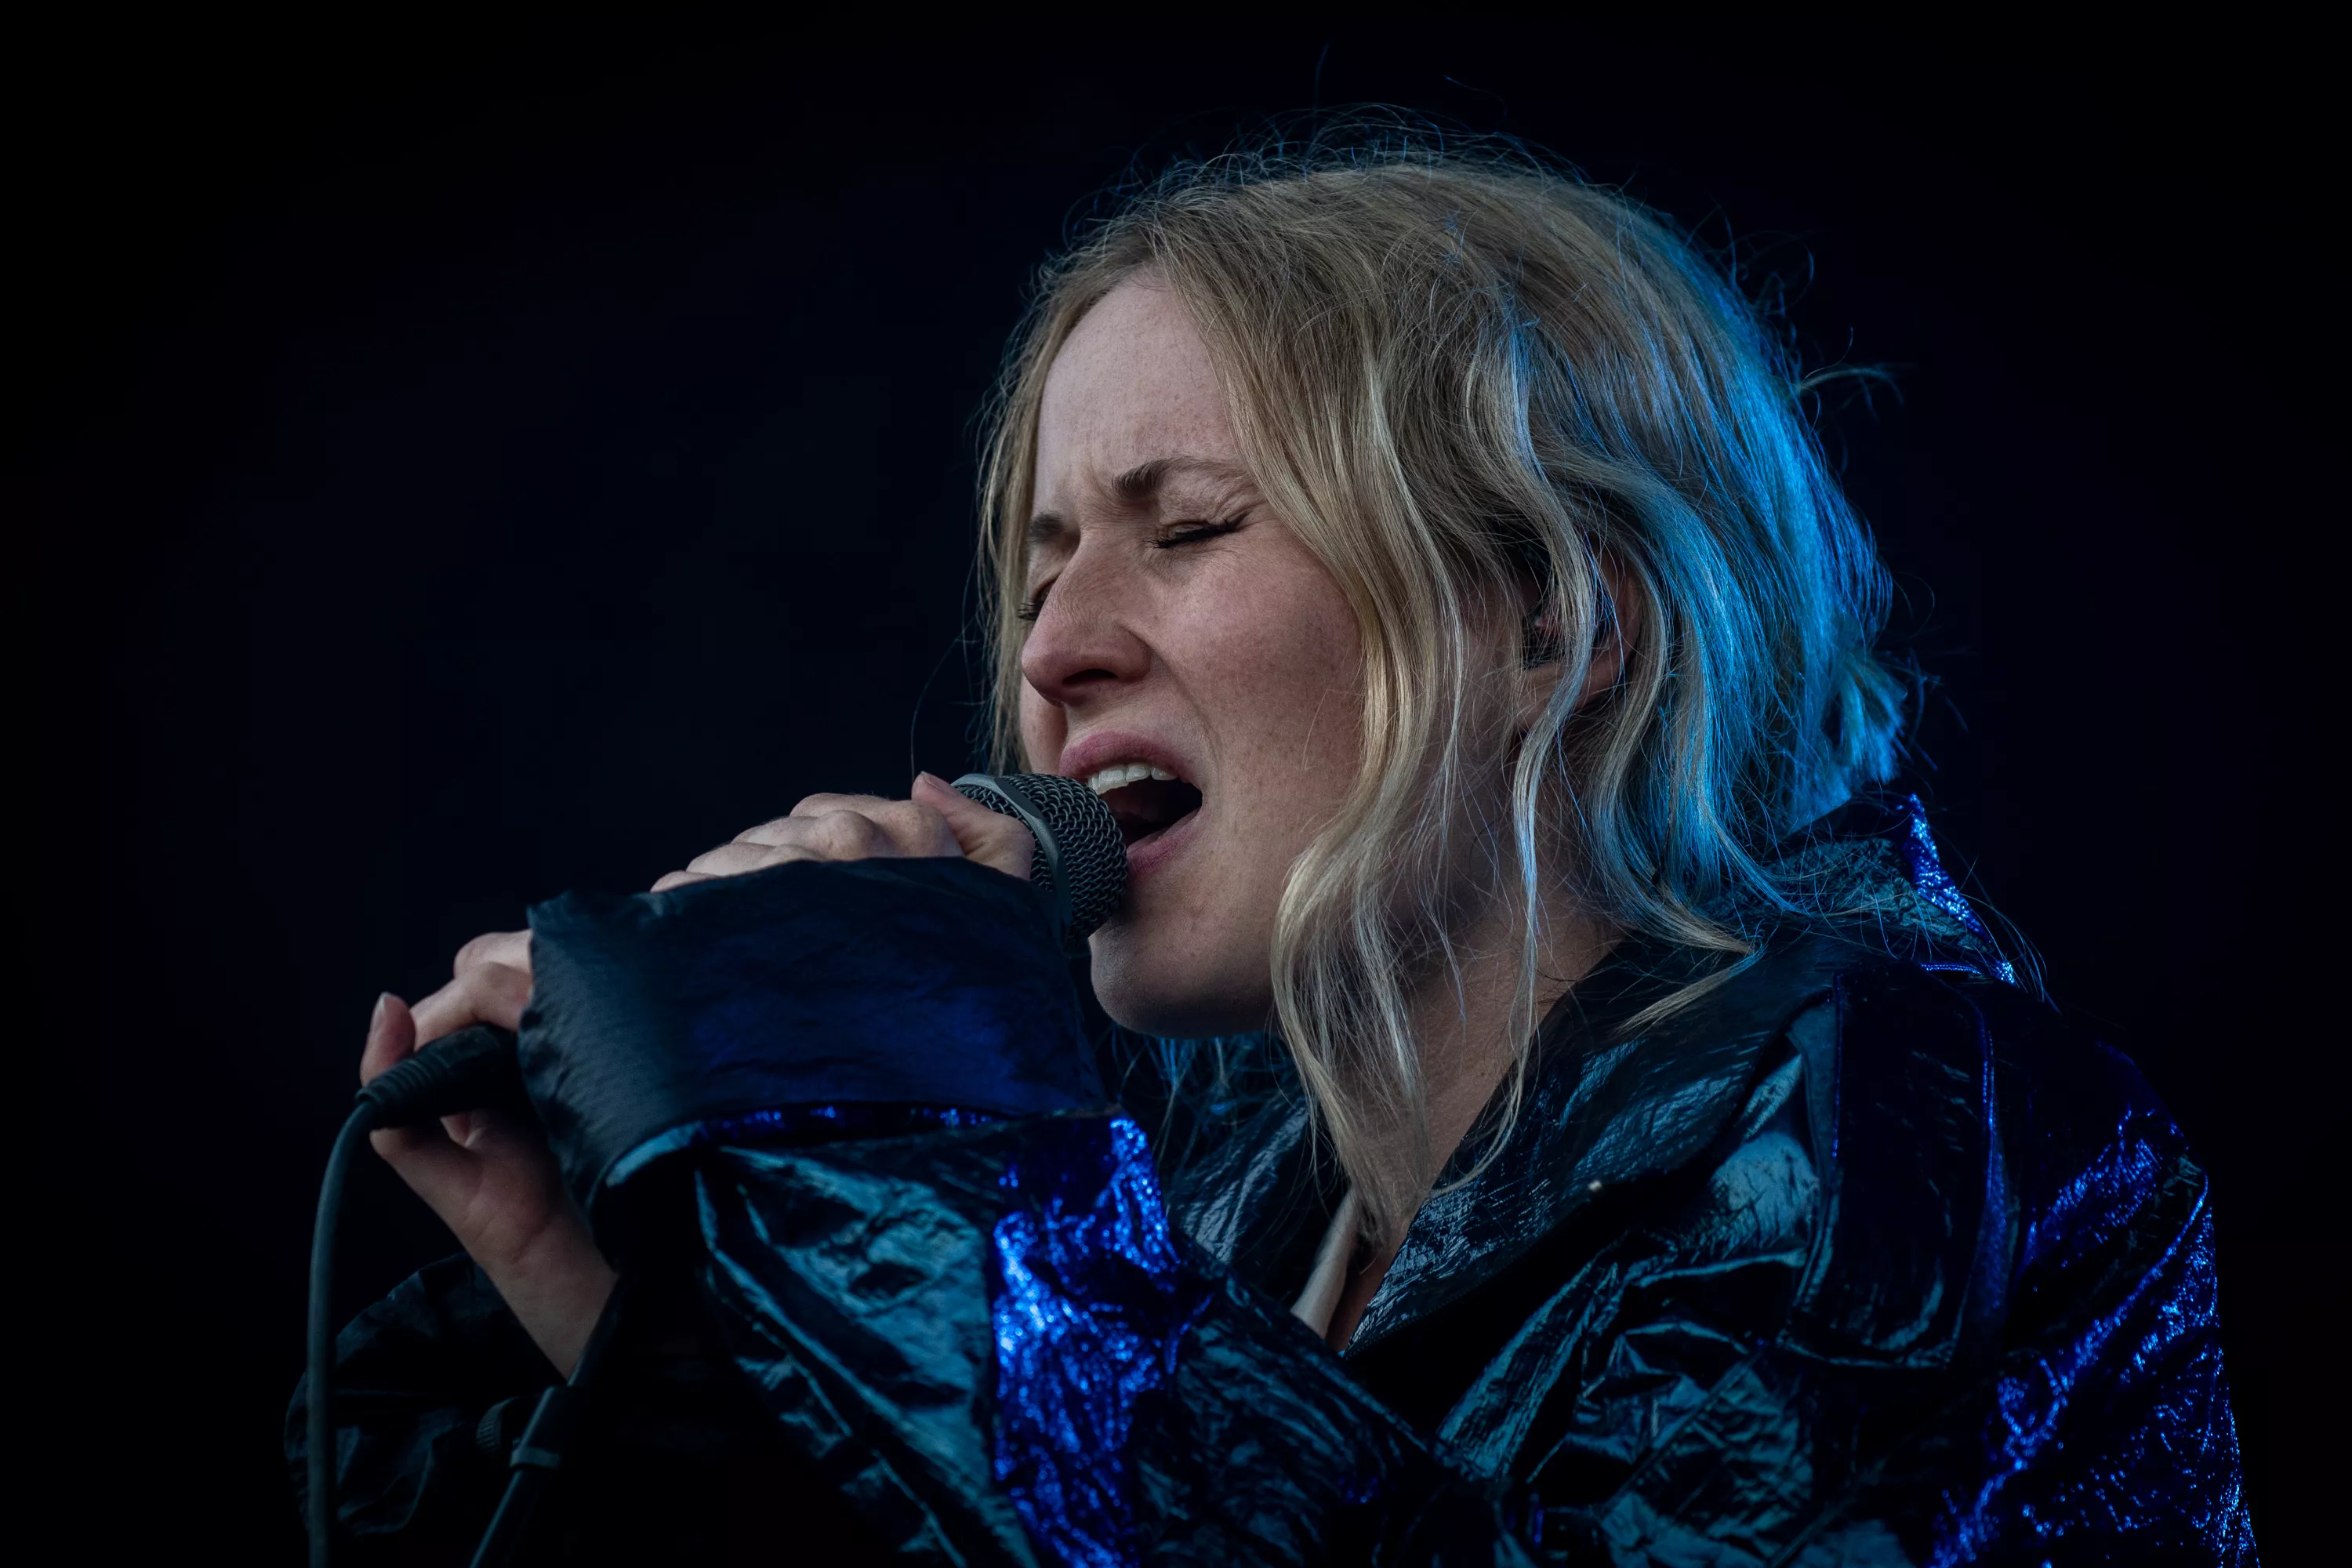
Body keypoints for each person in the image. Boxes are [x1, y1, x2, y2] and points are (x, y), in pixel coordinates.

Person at [291, 139, 2255, 1564]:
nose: (1053, 649)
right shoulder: (1233, 1226)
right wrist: (661, 1326)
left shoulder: (1919, 1120)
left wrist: (914, 1135)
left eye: (1191, 524)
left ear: (1552, 623)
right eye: (1047, 554)